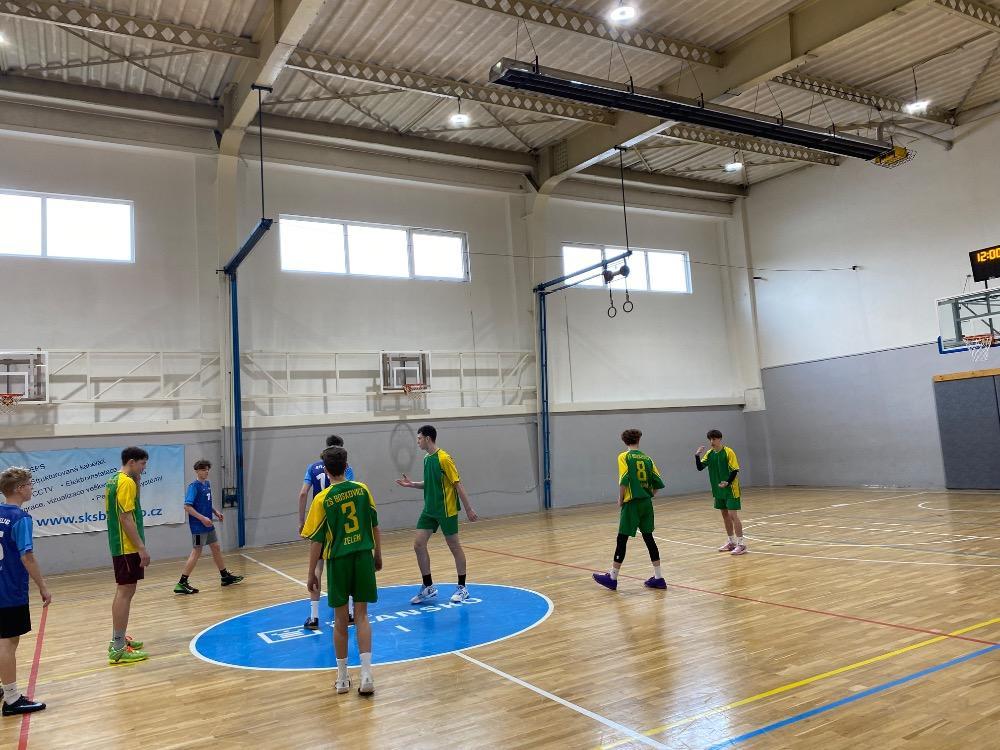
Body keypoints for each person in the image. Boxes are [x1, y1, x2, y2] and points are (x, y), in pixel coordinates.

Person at [302, 446, 381, 696]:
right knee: (362, 616)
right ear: (347, 466)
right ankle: (366, 675)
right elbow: (374, 524)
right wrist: (378, 554)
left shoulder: (322, 499)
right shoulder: (362, 489)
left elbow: (316, 541)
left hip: (338, 561)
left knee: (339, 621)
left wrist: (311, 572)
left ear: (326, 470)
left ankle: (343, 678)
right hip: (363, 556)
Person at [396, 425, 478, 605]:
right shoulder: (427, 459)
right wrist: (412, 484)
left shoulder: (444, 459)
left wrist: (468, 509)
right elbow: (429, 483)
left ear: (427, 438)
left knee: (454, 546)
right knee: (418, 544)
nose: (418, 441)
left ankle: (462, 588)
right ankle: (428, 587)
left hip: (446, 510)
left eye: (419, 438)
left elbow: (457, 484)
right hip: (430, 510)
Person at [0, 468, 50, 716]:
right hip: (9, 590)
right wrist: (43, 587)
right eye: (30, 484)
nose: (32, 488)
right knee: (8, 642)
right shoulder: (20, 518)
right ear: (19, 488)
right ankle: (11, 699)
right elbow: (27, 557)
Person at [593, 429, 667, 591]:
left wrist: (621, 499)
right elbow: (658, 482)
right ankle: (659, 577)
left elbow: (624, 480)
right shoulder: (648, 459)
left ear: (624, 441)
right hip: (646, 503)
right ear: (639, 440)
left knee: (622, 539)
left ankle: (612, 577)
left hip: (632, 504)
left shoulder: (624, 457)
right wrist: (649, 495)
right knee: (649, 538)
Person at [299, 435, 356, 630]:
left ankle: (314, 617)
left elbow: (303, 493)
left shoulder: (312, 467)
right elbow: (349, 491)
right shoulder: (347, 468)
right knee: (346, 566)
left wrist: (302, 521)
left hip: (321, 520)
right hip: (340, 523)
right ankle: (350, 613)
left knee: (318, 568)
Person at [106, 446, 151, 664]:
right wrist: (141, 547)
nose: (144, 468)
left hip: (121, 546)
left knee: (125, 591)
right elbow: (125, 518)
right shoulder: (125, 482)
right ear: (131, 462)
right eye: (142, 464)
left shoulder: (115, 479)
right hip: (127, 547)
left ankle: (119, 638)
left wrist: (138, 480)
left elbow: (133, 505)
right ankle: (118, 647)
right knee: (125, 592)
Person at [174, 460, 244, 594]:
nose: (206, 472)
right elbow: (187, 507)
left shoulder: (207, 484)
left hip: (208, 524)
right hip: (198, 526)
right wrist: (202, 518)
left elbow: (205, 503)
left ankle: (225, 577)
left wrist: (215, 512)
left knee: (216, 547)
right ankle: (181, 583)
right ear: (197, 471)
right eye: (203, 470)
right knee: (197, 551)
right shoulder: (193, 487)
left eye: (207, 469)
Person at [696, 430, 746, 555]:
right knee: (725, 515)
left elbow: (734, 470)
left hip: (730, 488)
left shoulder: (728, 452)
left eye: (714, 439)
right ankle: (731, 542)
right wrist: (697, 456)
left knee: (733, 515)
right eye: (710, 439)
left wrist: (727, 482)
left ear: (720, 439)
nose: (712, 442)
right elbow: (700, 467)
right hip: (718, 489)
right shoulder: (709, 453)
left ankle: (741, 544)